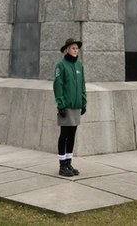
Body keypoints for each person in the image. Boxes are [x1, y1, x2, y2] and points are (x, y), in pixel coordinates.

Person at [53, 37, 87, 176]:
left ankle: (68, 163)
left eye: (77, 48)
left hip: (76, 106)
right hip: (66, 106)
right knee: (64, 135)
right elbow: (58, 85)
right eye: (73, 48)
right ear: (67, 49)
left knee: (72, 135)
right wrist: (60, 104)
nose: (75, 50)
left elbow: (82, 85)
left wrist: (83, 102)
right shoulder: (61, 66)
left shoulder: (80, 66)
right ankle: (62, 166)